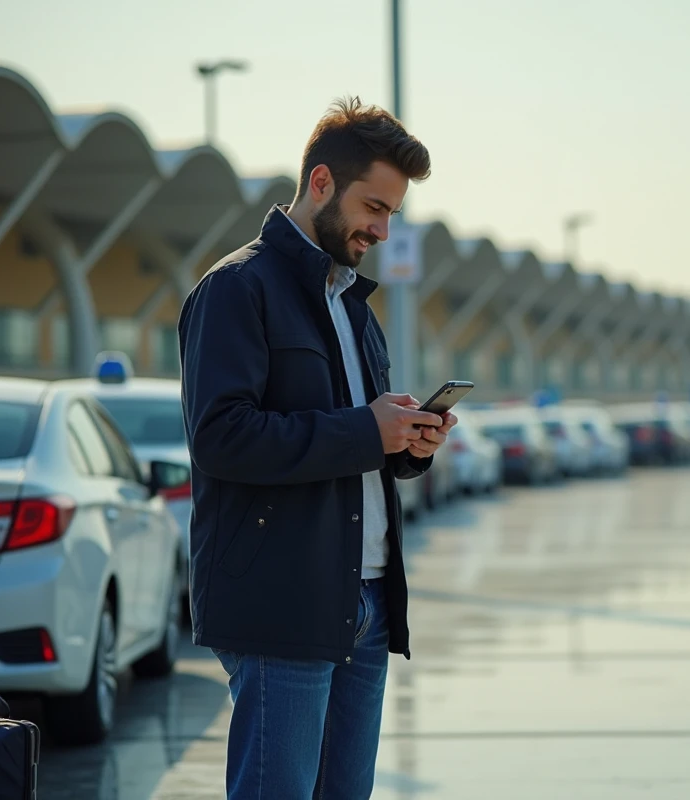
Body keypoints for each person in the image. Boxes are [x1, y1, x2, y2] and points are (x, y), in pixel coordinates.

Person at [178, 96, 454, 799]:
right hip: (283, 600)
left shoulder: (353, 307)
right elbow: (221, 438)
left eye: (393, 214)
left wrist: (408, 443)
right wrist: (366, 429)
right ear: (322, 182)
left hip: (368, 600)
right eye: (374, 207)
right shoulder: (236, 289)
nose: (382, 230)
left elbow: (357, 442)